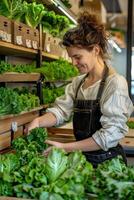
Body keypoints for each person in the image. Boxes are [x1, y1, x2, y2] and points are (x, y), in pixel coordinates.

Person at [27, 12, 133, 167]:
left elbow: (109, 135)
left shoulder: (115, 83)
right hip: (82, 159)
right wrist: (38, 121)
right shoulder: (78, 83)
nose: (73, 63)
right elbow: (61, 111)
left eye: (78, 57)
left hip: (108, 163)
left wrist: (65, 147)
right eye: (71, 58)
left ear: (96, 50)